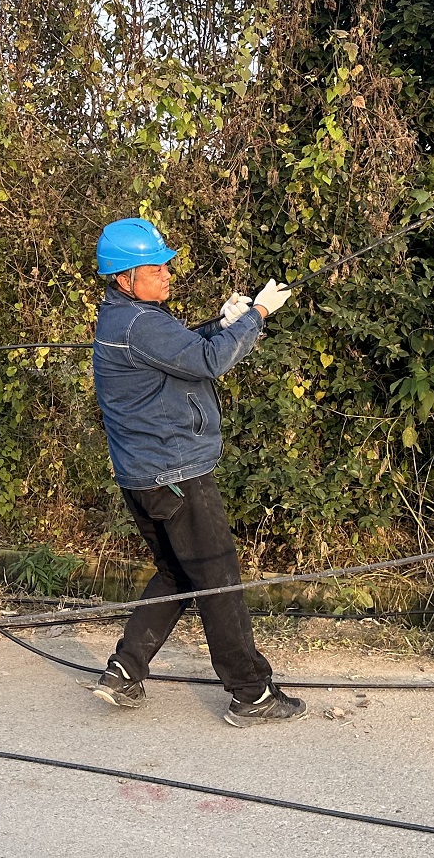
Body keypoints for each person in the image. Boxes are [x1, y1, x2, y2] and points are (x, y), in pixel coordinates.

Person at [88, 217, 304, 727]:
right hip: (175, 473)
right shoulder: (140, 323)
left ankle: (124, 670)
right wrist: (258, 317)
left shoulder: (126, 319)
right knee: (218, 580)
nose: (166, 272)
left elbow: (182, 351)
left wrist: (224, 322)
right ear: (123, 278)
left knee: (178, 574)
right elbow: (208, 363)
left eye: (165, 262)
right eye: (153, 266)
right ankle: (250, 693)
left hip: (143, 476)